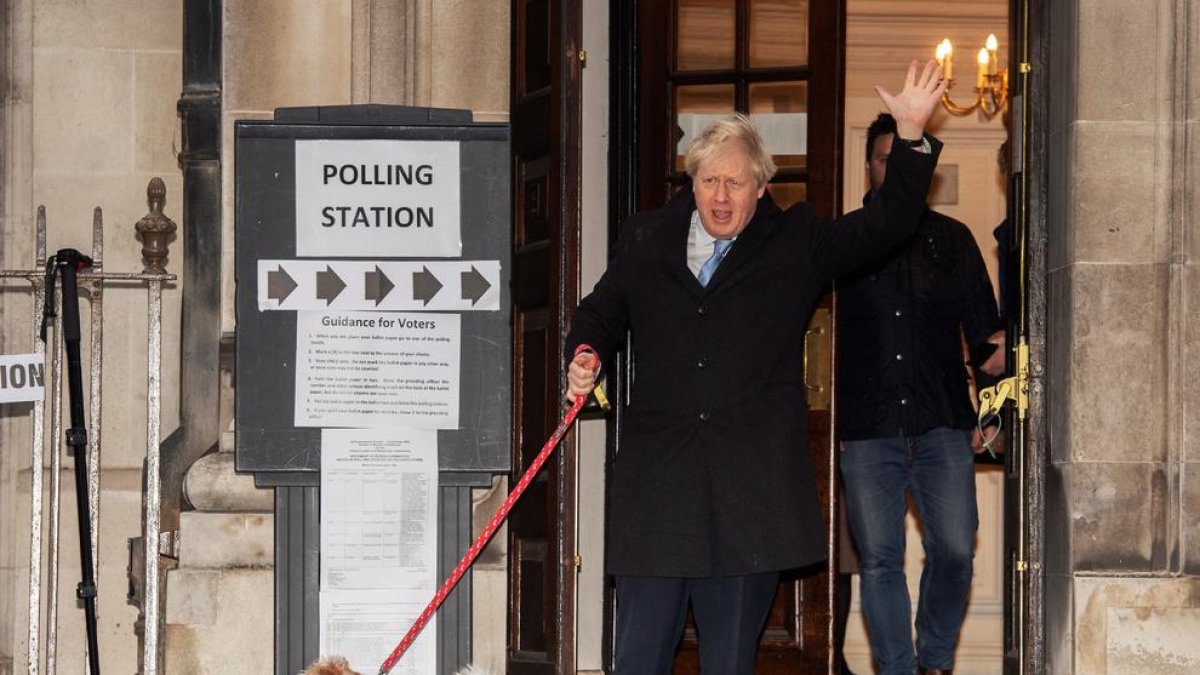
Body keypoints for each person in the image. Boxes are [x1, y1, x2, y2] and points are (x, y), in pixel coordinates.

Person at [564, 61, 947, 674]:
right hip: (658, 494)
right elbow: (601, 311)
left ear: (761, 186)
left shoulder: (795, 244)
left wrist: (907, 138)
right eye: (710, 181)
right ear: (692, 183)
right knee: (635, 662)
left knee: (729, 666)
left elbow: (886, 225)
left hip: (751, 501)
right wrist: (585, 354)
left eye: (735, 184)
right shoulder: (645, 238)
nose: (721, 197)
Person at [834, 112, 1005, 675]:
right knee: (881, 560)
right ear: (870, 166)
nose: (895, 167)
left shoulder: (954, 241)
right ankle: (898, 670)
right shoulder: (845, 241)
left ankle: (935, 663)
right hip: (867, 428)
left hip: (942, 426)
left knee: (956, 551)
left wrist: (994, 409)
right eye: (886, 158)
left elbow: (985, 332)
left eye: (906, 158)